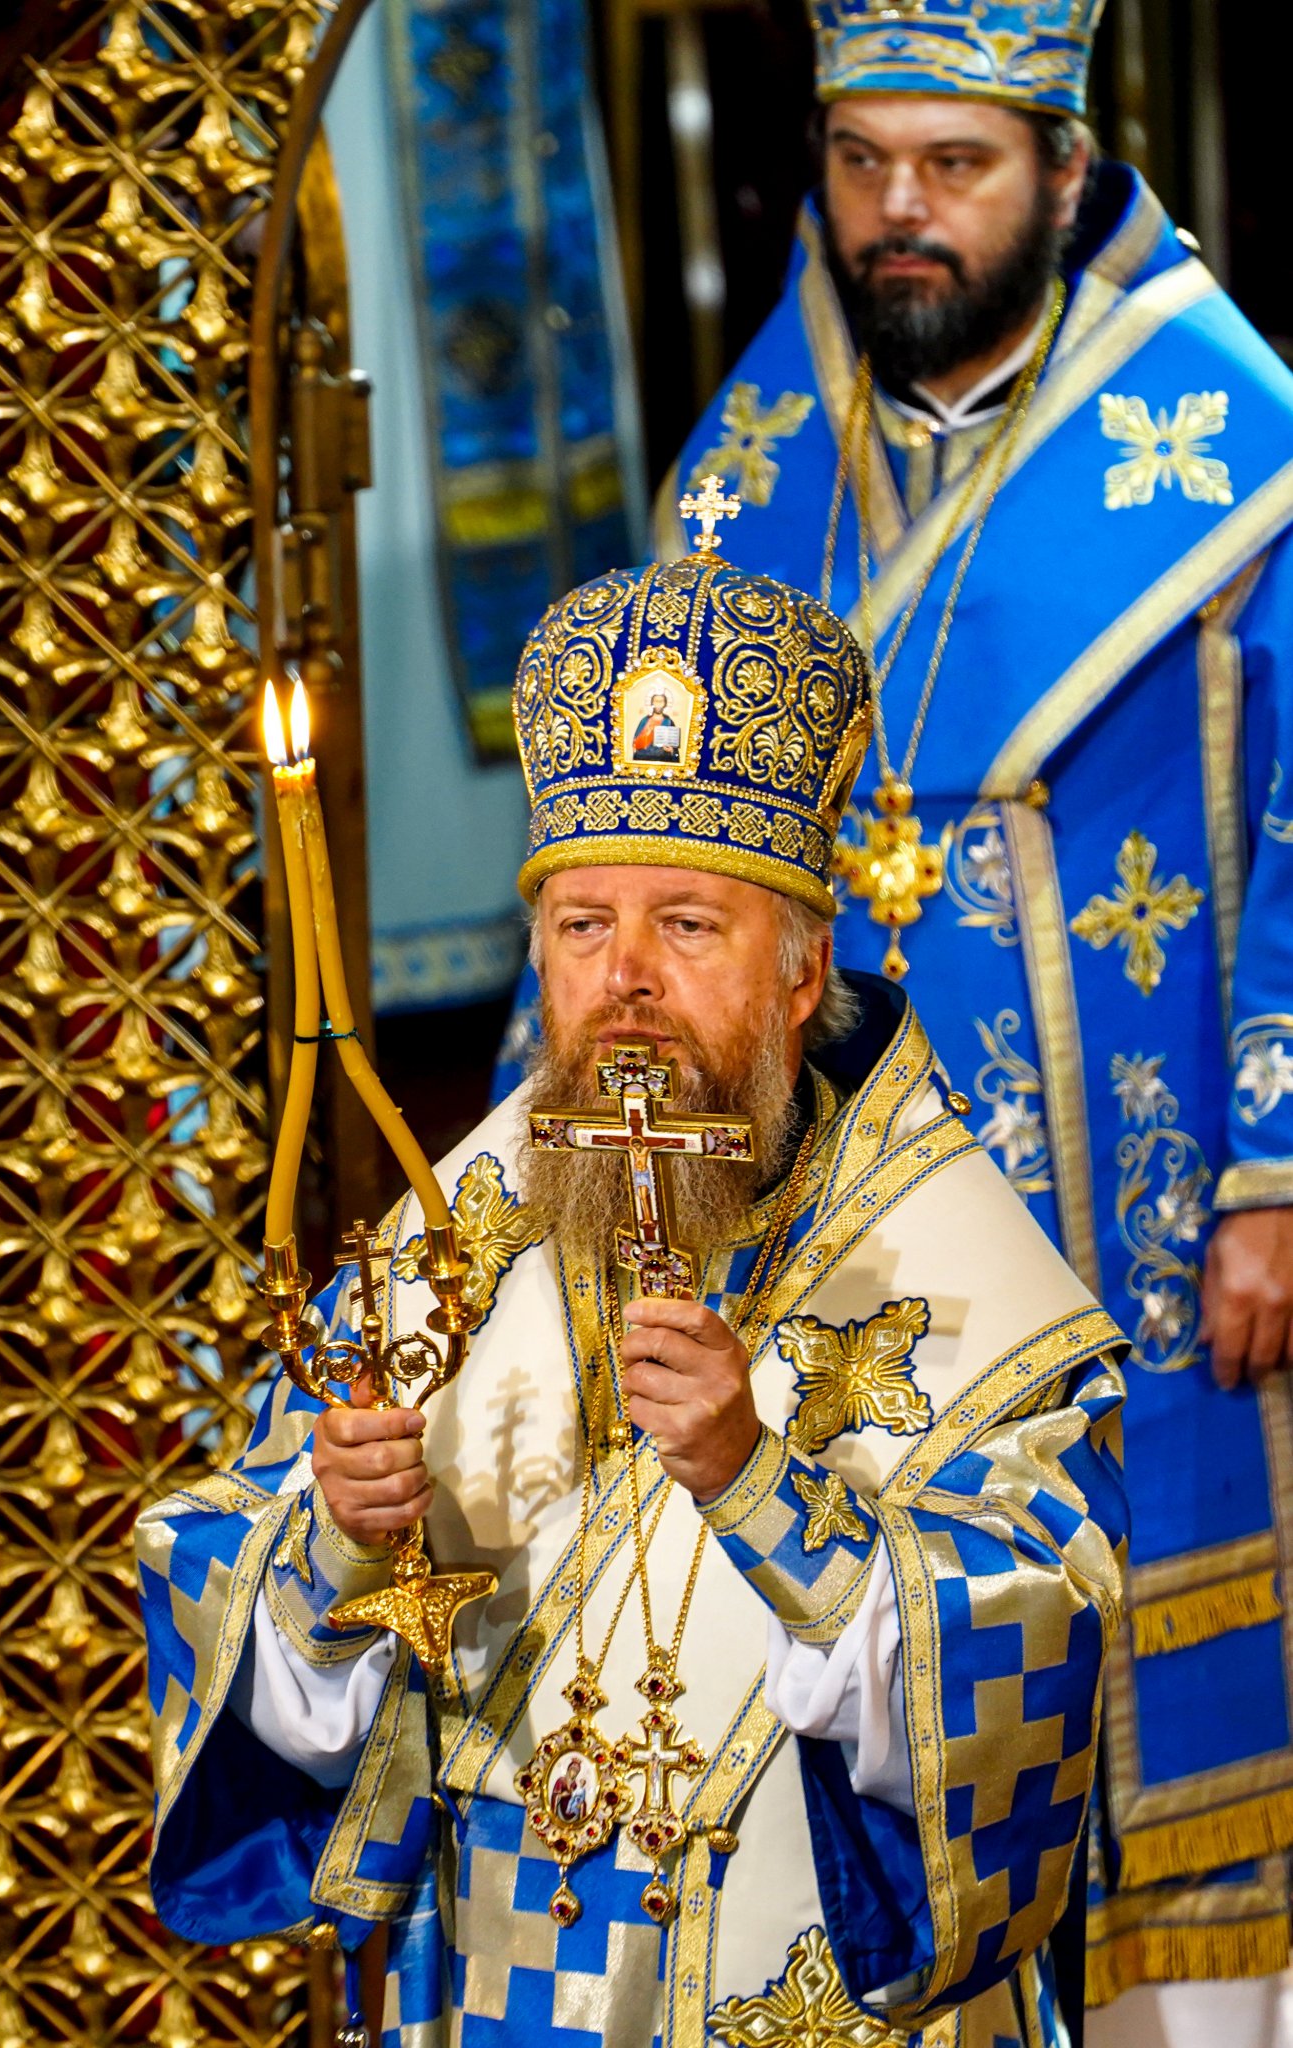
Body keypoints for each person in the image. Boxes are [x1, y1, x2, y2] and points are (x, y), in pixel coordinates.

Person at [138, 523, 1128, 2046]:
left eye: (686, 926)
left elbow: (1030, 1696)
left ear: (802, 972)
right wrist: (333, 1545)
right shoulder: (442, 1246)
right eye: (585, 928)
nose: (627, 983)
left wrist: (758, 1482)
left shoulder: (970, 1288)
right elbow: (246, 1653)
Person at [642, 2, 1293, 2037]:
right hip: (855, 1220)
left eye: (955, 166)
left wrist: (1283, 1159)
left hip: (1160, 1195)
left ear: (1065, 172)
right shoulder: (752, 477)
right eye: (861, 163)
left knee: (1177, 1754)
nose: (898, 214)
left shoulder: (1225, 434)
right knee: (887, 1677)